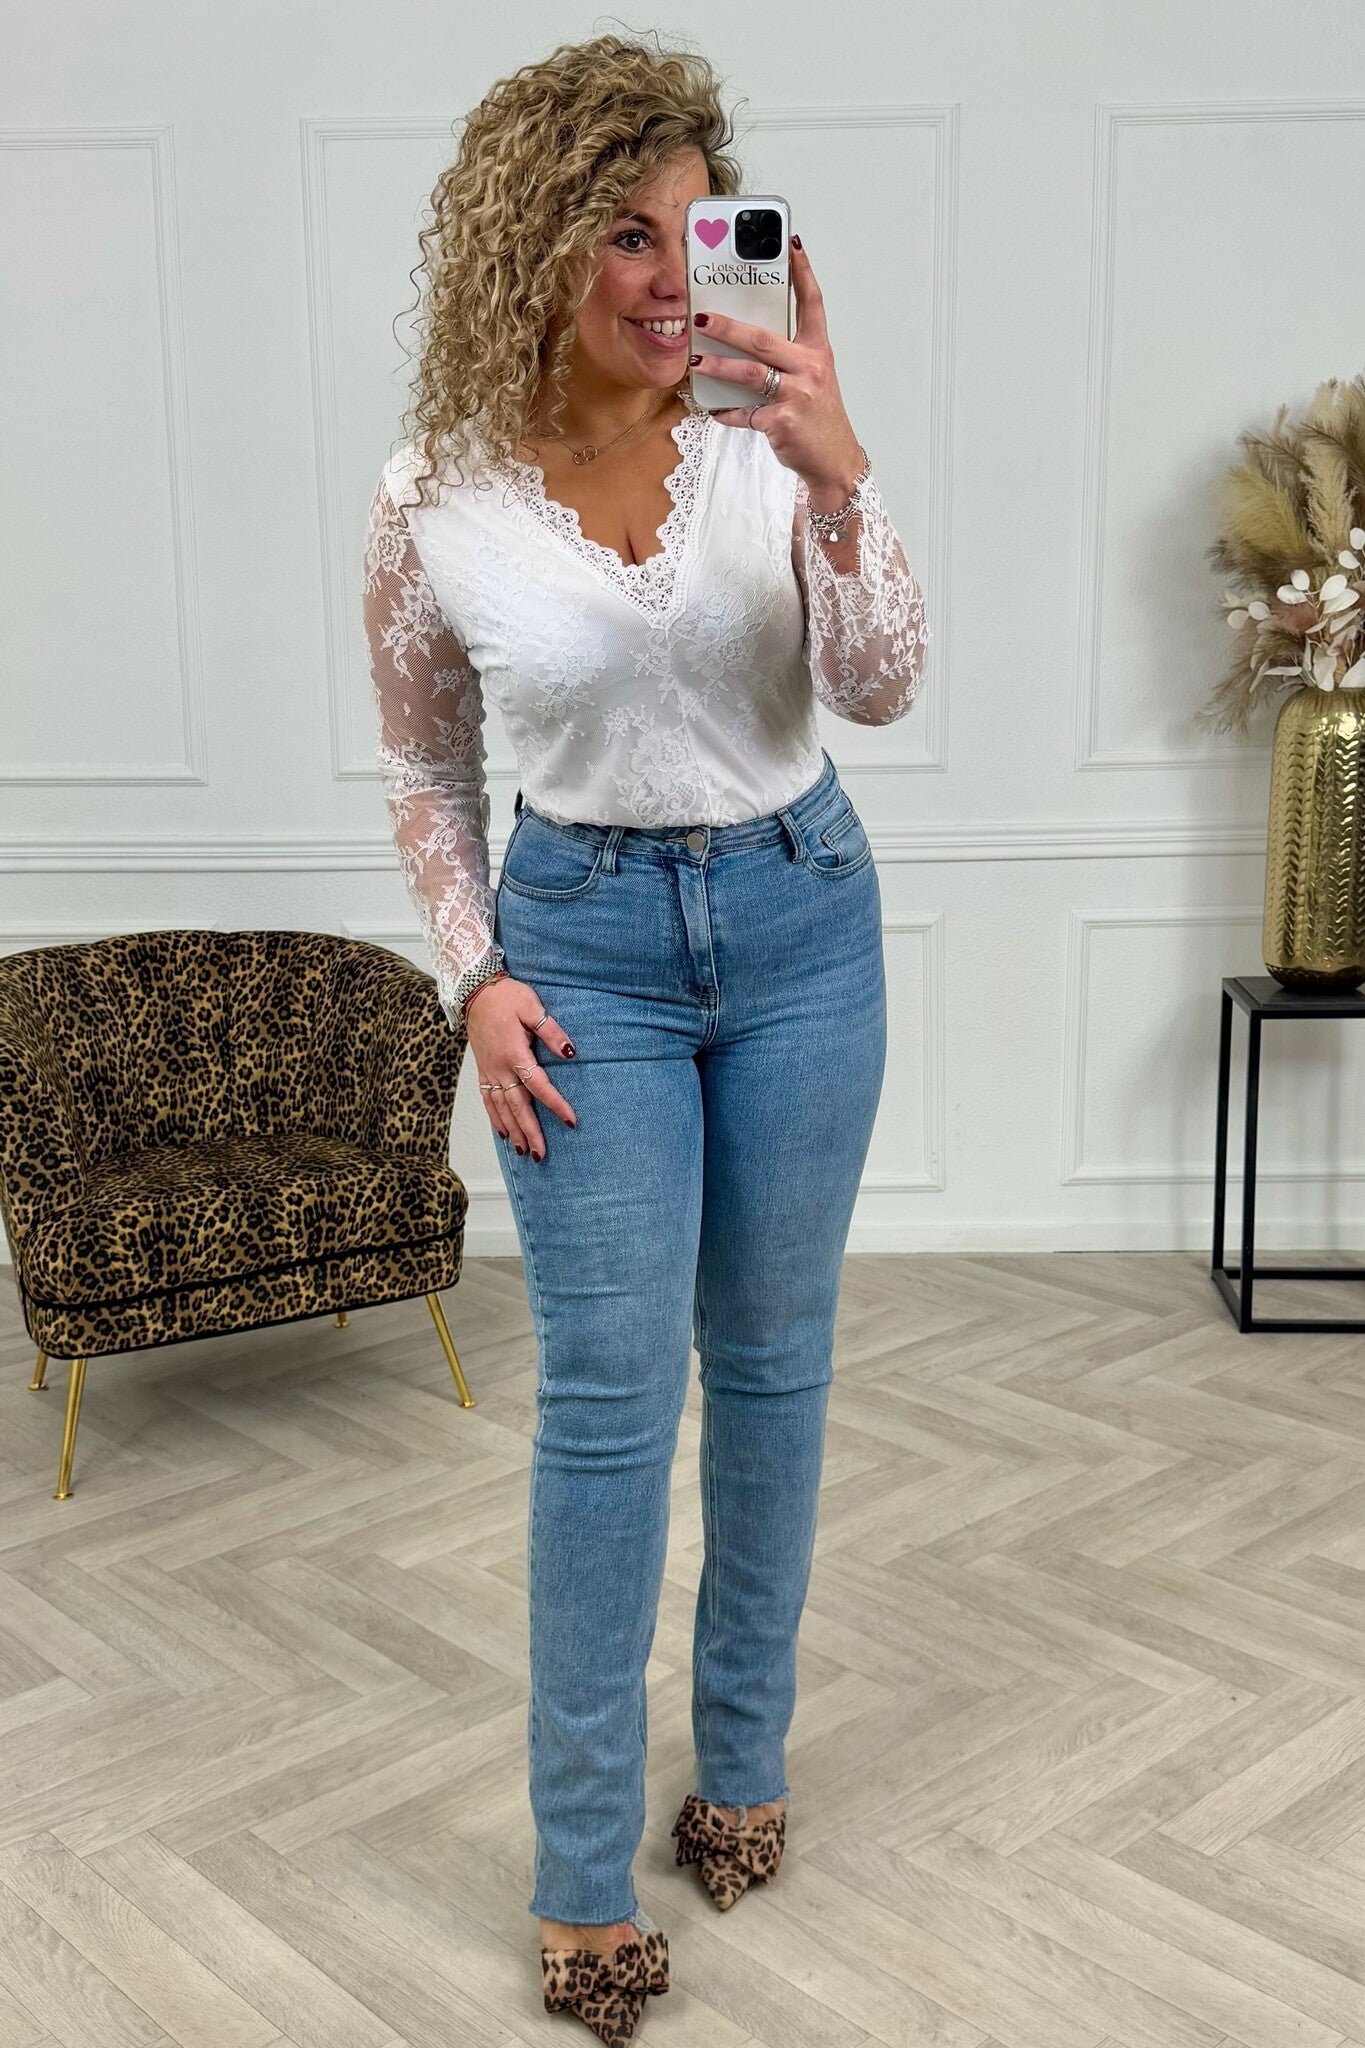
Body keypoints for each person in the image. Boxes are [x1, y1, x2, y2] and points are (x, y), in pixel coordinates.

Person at [361, 32, 930, 2044]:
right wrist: (475, 976)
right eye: (621, 231)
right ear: (531, 245)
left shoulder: (761, 433)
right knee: (608, 1407)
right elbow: (424, 774)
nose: (670, 275)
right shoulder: (433, 497)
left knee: (770, 1367)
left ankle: (743, 1761)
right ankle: (579, 1871)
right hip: (582, 955)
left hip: (800, 922)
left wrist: (836, 471)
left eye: (695, 229)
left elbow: (880, 688)